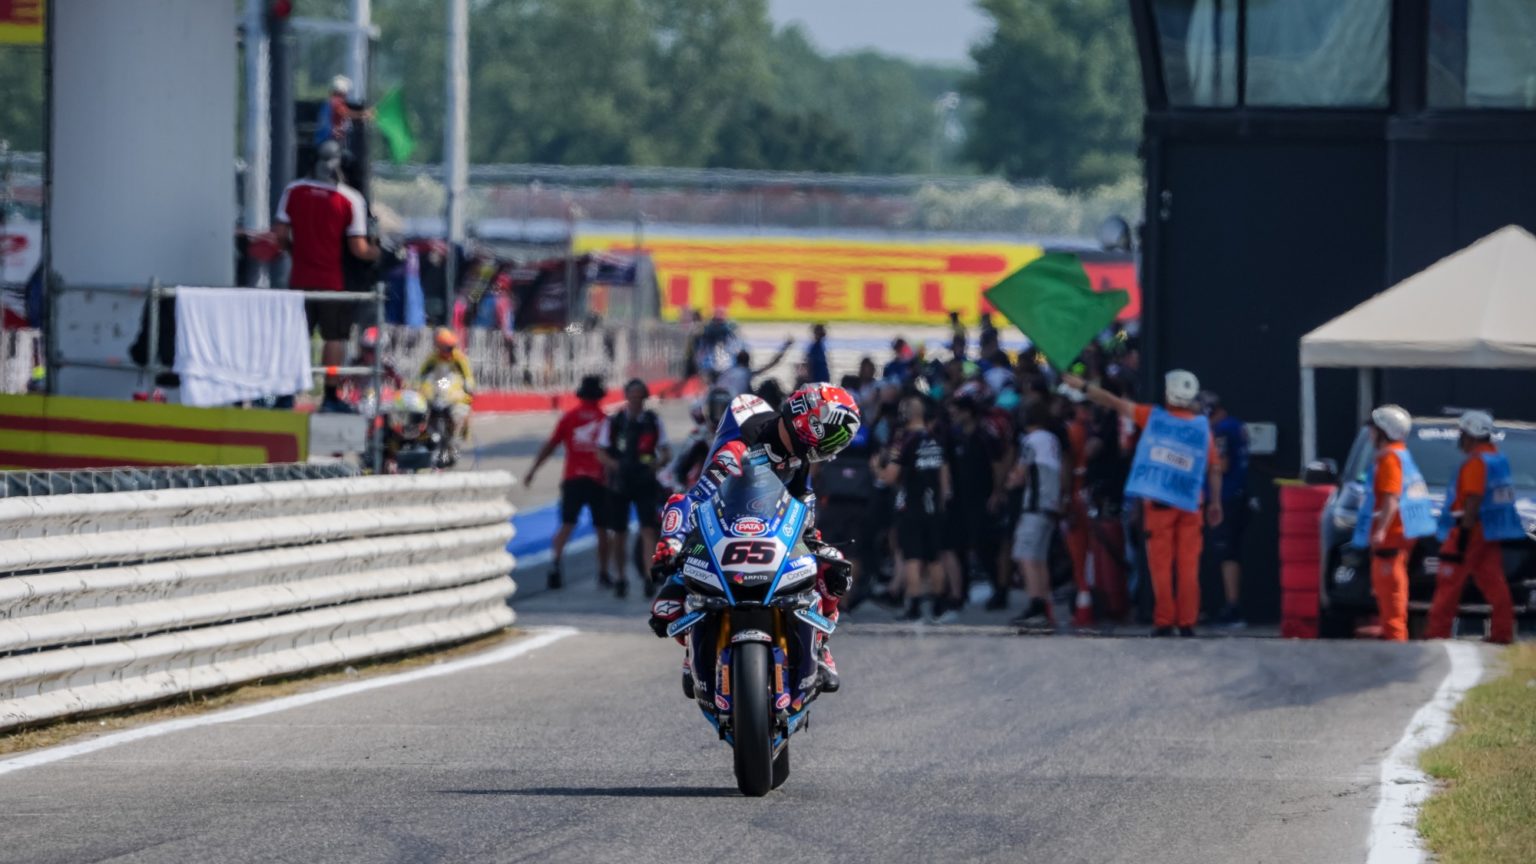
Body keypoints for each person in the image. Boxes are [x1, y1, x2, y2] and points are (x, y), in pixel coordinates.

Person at [648, 384, 862, 696]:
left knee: (835, 570)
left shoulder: (800, 458)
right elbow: (692, 499)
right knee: (665, 608)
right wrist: (671, 543)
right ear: (810, 422)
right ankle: (693, 645)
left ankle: (820, 646)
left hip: (772, 533)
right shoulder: (741, 445)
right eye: (831, 437)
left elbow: (802, 508)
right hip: (717, 532)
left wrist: (813, 542)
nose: (831, 448)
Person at [1065, 369, 1222, 637]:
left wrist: (1083, 386)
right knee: (1188, 567)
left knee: (1160, 566)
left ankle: (1164, 620)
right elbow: (1214, 468)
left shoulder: (1152, 417)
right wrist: (1215, 503)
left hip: (1159, 504)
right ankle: (1187, 622)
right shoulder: (1201, 428)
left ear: (1168, 393)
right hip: (1191, 505)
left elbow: (1113, 402)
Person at [273, 140, 378, 413]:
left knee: (296, 338)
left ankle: (286, 396)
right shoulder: (350, 199)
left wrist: (295, 252)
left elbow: (280, 235)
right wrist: (378, 252)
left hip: (299, 280)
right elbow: (359, 248)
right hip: (334, 282)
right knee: (334, 338)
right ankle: (330, 395)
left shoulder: (293, 190)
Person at [1426, 410, 1519, 644]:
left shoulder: (1477, 462)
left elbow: (1473, 499)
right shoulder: (1497, 459)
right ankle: (1502, 632)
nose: (1460, 438)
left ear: (1471, 435)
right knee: (1494, 581)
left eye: (1463, 433)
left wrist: (1464, 535)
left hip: (1470, 530)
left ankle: (1437, 633)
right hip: (1489, 530)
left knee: (1449, 581)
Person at [1352, 404, 1436, 642]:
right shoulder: (1400, 454)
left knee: (1390, 586)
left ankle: (1395, 636)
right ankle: (1391, 629)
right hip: (1402, 532)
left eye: (1373, 429)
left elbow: (1391, 497)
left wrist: (1380, 530)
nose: (1370, 434)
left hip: (1392, 535)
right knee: (1387, 586)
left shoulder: (1390, 458)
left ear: (1384, 431)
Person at [524, 376, 613, 591]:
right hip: (598, 480)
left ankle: (555, 564)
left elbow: (551, 445)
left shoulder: (569, 417)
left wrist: (533, 470)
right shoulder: (605, 421)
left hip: (573, 478)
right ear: (599, 396)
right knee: (602, 528)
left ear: (581, 395)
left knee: (567, 524)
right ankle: (603, 573)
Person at [879, 396, 951, 623]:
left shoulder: (904, 441)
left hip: (911, 506)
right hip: (934, 507)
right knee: (934, 557)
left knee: (912, 557)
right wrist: (943, 499)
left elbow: (890, 477)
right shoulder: (935, 439)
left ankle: (915, 607)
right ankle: (939, 607)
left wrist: (875, 469)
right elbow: (944, 473)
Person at [600, 379, 671, 598]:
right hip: (620, 483)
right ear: (627, 396)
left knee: (648, 529)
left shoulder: (653, 421)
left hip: (644, 481)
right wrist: (616, 466)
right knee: (619, 532)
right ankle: (621, 577)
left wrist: (654, 466)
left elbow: (666, 452)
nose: (636, 400)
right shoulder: (615, 421)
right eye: (632, 395)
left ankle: (649, 578)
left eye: (640, 396)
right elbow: (600, 451)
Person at [1008, 400, 1064, 629]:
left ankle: (1036, 606)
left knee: (1026, 556)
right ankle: (1045, 604)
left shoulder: (1031, 440)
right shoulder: (1052, 439)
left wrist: (1010, 482)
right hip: (1051, 504)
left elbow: (1020, 473)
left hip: (1035, 504)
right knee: (1040, 558)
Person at [1204, 392, 1249, 627]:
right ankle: (1230, 606)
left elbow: (1221, 464)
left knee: (1227, 553)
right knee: (1228, 552)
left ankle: (1233, 607)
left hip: (1226, 498)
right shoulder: (1236, 425)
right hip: (1236, 496)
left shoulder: (1221, 429)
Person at [419, 327, 476, 450]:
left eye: (451, 347)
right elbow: (422, 374)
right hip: (437, 388)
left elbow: (468, 374)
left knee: (460, 410)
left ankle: (457, 434)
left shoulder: (458, 357)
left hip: (454, 390)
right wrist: (419, 384)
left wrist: (469, 383)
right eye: (446, 347)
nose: (449, 350)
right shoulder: (433, 358)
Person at [718, 341, 792, 398]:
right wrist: (785, 348)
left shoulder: (727, 371)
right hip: (736, 401)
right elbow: (772, 364)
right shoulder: (747, 372)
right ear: (748, 362)